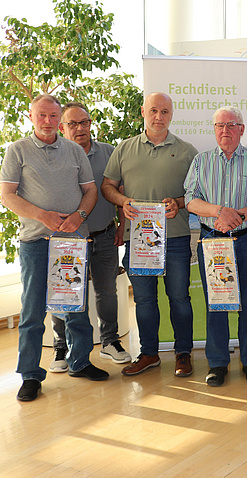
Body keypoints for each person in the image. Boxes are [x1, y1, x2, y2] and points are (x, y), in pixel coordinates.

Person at [1, 94, 109, 401]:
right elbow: (6, 195)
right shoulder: (16, 150)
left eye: (52, 116)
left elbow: (90, 191)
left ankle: (80, 362)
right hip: (36, 242)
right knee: (33, 311)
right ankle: (30, 375)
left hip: (72, 243)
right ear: (31, 117)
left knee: (76, 307)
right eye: (42, 115)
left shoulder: (74, 150)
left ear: (59, 119)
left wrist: (80, 216)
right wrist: (42, 216)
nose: (47, 121)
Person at [103, 92, 198, 378]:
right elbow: (107, 186)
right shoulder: (124, 149)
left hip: (175, 238)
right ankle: (149, 353)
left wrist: (178, 202)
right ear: (143, 112)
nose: (159, 117)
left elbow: (197, 194)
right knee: (144, 300)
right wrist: (123, 202)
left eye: (165, 111)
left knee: (179, 298)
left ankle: (183, 353)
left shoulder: (187, 151)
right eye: (154, 110)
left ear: (172, 115)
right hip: (138, 240)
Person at [185, 106, 247, 387]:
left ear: (241, 130)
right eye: (220, 125)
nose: (225, 130)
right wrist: (219, 211)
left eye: (231, 125)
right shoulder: (200, 161)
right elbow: (190, 200)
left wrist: (239, 216)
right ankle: (217, 363)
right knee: (216, 303)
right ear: (214, 129)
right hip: (213, 241)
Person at [49, 101, 128, 373]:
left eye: (84, 122)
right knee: (65, 293)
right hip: (68, 241)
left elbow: (120, 191)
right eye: (72, 123)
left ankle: (110, 341)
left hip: (104, 235)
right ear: (62, 127)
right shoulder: (55, 154)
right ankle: (61, 346)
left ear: (90, 124)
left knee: (107, 291)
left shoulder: (108, 152)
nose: (80, 128)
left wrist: (122, 226)